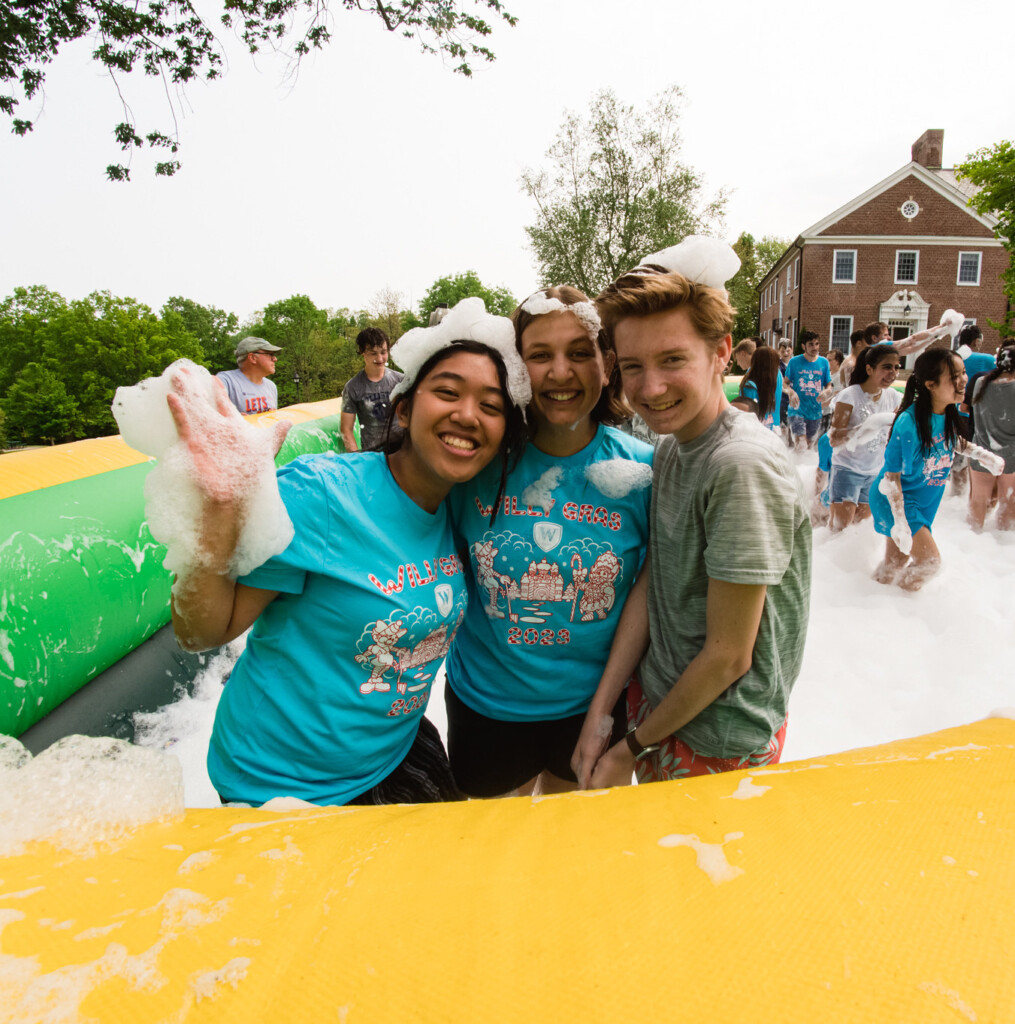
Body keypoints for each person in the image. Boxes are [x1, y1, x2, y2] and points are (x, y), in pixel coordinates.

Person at [171, 298, 529, 806]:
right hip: (284, 784)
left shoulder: (464, 509)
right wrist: (218, 509)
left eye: (491, 406)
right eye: (448, 392)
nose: (468, 415)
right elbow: (201, 632)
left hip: (393, 751)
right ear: (403, 407)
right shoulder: (323, 496)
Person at [573, 237, 811, 788]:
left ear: (722, 352)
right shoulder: (676, 445)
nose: (650, 388)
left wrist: (627, 750)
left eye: (672, 359)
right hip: (661, 705)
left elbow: (729, 657)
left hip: (719, 735)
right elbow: (658, 580)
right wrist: (602, 713)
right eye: (632, 366)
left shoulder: (740, 467)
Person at [445, 286, 653, 798]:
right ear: (516, 369)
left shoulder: (642, 473)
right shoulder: (474, 464)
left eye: (579, 353)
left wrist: (606, 712)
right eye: (540, 355)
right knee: (494, 858)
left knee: (571, 859)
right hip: (486, 706)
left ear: (607, 365)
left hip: (592, 708)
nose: (561, 372)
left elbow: (651, 593)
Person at [870, 349, 1002, 591]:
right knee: (929, 562)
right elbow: (891, 479)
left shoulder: (947, 413)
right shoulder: (908, 423)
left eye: (963, 372)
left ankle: (874, 603)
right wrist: (900, 522)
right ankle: (899, 607)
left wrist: (985, 457)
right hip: (896, 498)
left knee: (895, 562)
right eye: (954, 375)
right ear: (931, 384)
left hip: (922, 500)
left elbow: (952, 441)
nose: (963, 379)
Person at [827, 345, 902, 532]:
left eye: (896, 367)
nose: (892, 373)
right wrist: (869, 426)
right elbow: (834, 439)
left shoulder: (894, 397)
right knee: (840, 531)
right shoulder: (850, 395)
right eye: (887, 367)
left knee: (858, 532)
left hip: (874, 472)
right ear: (869, 369)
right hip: (846, 470)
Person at [968, 342, 1015, 531]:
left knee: (978, 502)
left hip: (982, 451)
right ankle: (1001, 546)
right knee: (1008, 502)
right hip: (1011, 455)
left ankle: (971, 545)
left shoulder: (981, 382)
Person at [340, 327, 405, 452]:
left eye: (383, 352)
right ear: (362, 352)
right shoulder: (353, 387)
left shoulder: (400, 381)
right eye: (373, 353)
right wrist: (357, 458)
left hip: (402, 453)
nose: (380, 358)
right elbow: (346, 430)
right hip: (372, 455)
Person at [784, 331, 831, 451]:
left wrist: (826, 392)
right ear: (803, 346)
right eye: (811, 344)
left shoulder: (824, 362)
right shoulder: (794, 362)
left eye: (817, 344)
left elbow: (829, 386)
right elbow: (784, 383)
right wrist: (791, 392)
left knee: (809, 445)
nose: (815, 347)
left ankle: (798, 466)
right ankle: (794, 467)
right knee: (801, 443)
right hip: (797, 409)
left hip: (815, 411)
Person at [216, 337, 281, 415]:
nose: (275, 359)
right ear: (252, 358)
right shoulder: (225, 381)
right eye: (270, 354)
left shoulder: (271, 386)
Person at [732, 345, 783, 432]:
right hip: (773, 426)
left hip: (755, 428)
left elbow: (746, 411)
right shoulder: (777, 374)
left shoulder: (749, 383)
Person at [817, 348, 845, 435]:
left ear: (837, 361)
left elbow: (837, 396)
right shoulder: (827, 374)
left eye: (829, 360)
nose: (827, 362)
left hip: (830, 413)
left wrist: (822, 405)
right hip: (821, 412)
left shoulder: (840, 376)